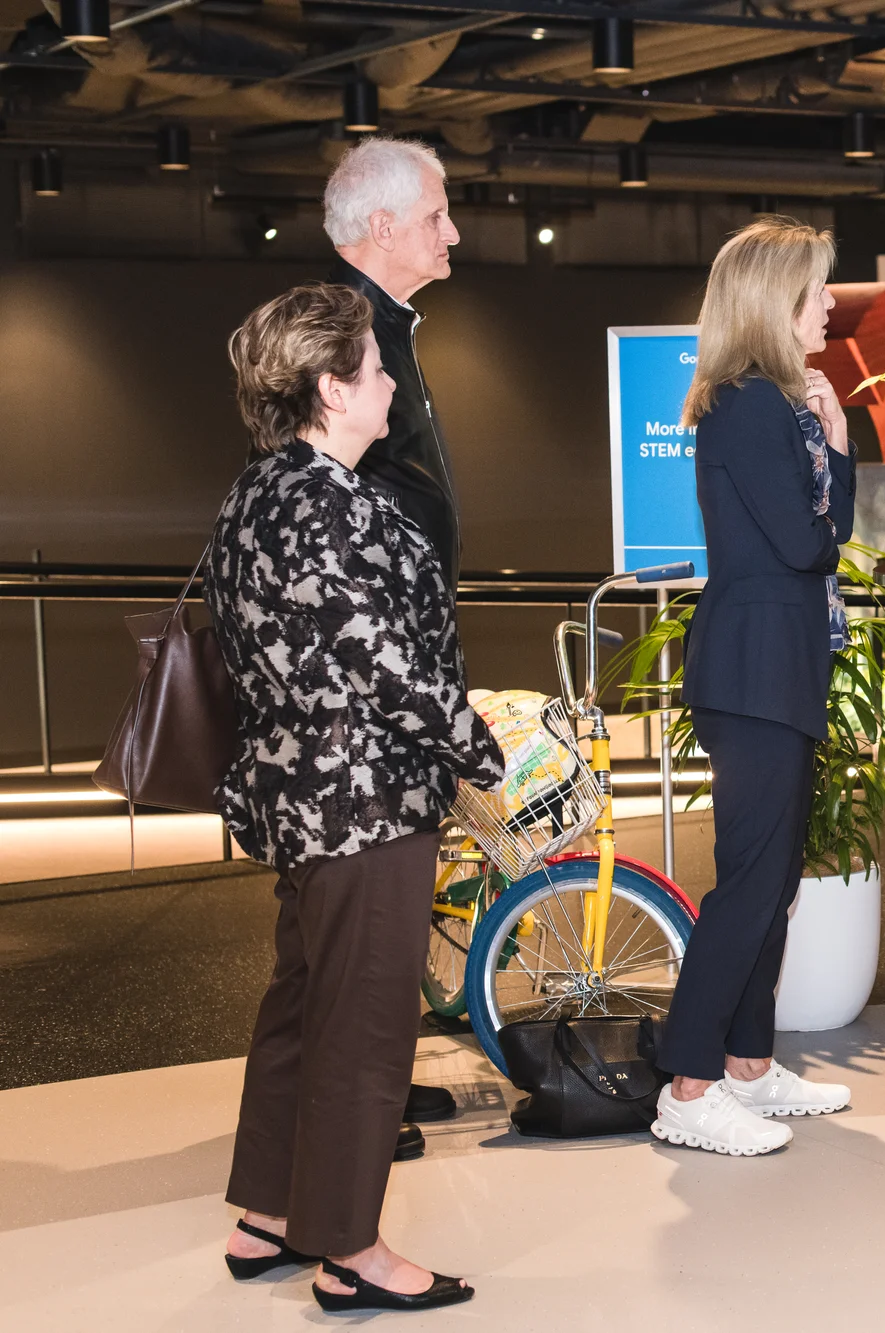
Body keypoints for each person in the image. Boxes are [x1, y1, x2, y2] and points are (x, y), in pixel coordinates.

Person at [212, 283, 504, 1311]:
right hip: (365, 801)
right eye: (376, 369)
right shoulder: (329, 502)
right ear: (333, 387)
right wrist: (478, 741)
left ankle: (270, 1215)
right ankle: (350, 1248)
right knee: (364, 1023)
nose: (390, 386)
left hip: (298, 801)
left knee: (301, 1002)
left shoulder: (256, 493)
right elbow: (382, 664)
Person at [647, 217, 856, 1155]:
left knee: (770, 884)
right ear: (777, 300)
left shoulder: (769, 404)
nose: (831, 304)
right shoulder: (750, 406)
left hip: (774, 668)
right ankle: (690, 1087)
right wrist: (831, 444)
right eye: (818, 290)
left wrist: (834, 437)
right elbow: (812, 544)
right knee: (748, 886)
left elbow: (819, 535)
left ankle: (745, 1065)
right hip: (755, 672)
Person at [323, 135, 467, 1145]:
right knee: (365, 908)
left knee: (394, 896)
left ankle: (381, 1071)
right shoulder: (341, 334)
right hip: (376, 679)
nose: (452, 232)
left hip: (399, 659)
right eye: (435, 216)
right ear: (380, 227)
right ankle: (358, 1101)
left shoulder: (386, 326)